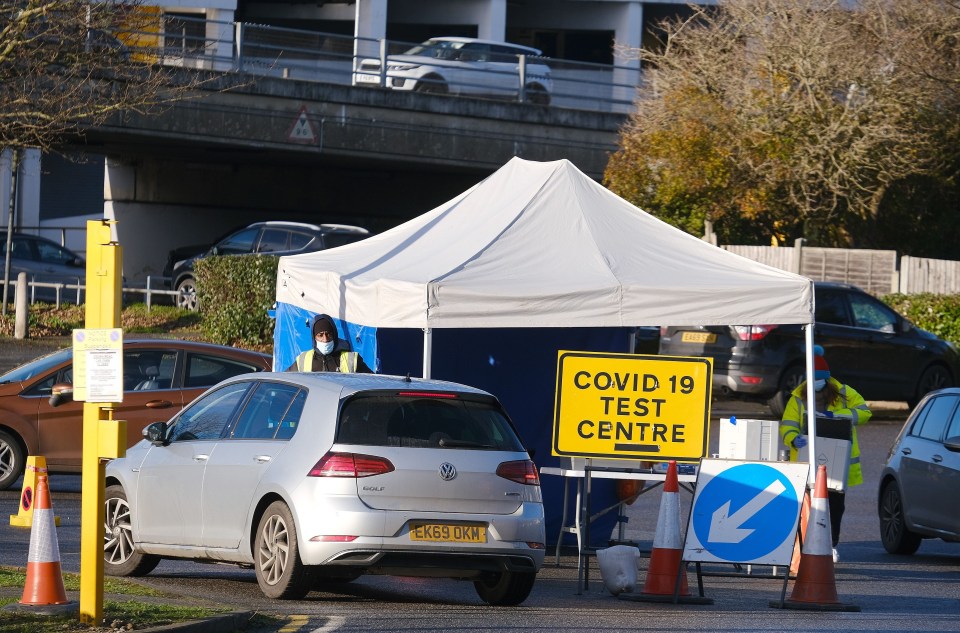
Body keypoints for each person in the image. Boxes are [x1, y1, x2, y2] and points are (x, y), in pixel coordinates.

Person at [779, 344, 871, 563]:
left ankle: (830, 545)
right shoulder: (798, 398)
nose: (817, 385)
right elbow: (787, 425)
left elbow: (865, 412)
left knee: (835, 508)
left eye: (820, 381)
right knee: (807, 507)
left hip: (837, 462)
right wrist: (793, 438)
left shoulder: (844, 393)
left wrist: (838, 415)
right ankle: (802, 548)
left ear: (827, 380)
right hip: (807, 461)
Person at [287, 313, 371, 373]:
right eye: (320, 335)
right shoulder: (302, 360)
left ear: (334, 335)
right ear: (314, 337)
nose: (325, 339)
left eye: (328, 334)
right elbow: (287, 382)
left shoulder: (352, 360)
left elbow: (371, 383)